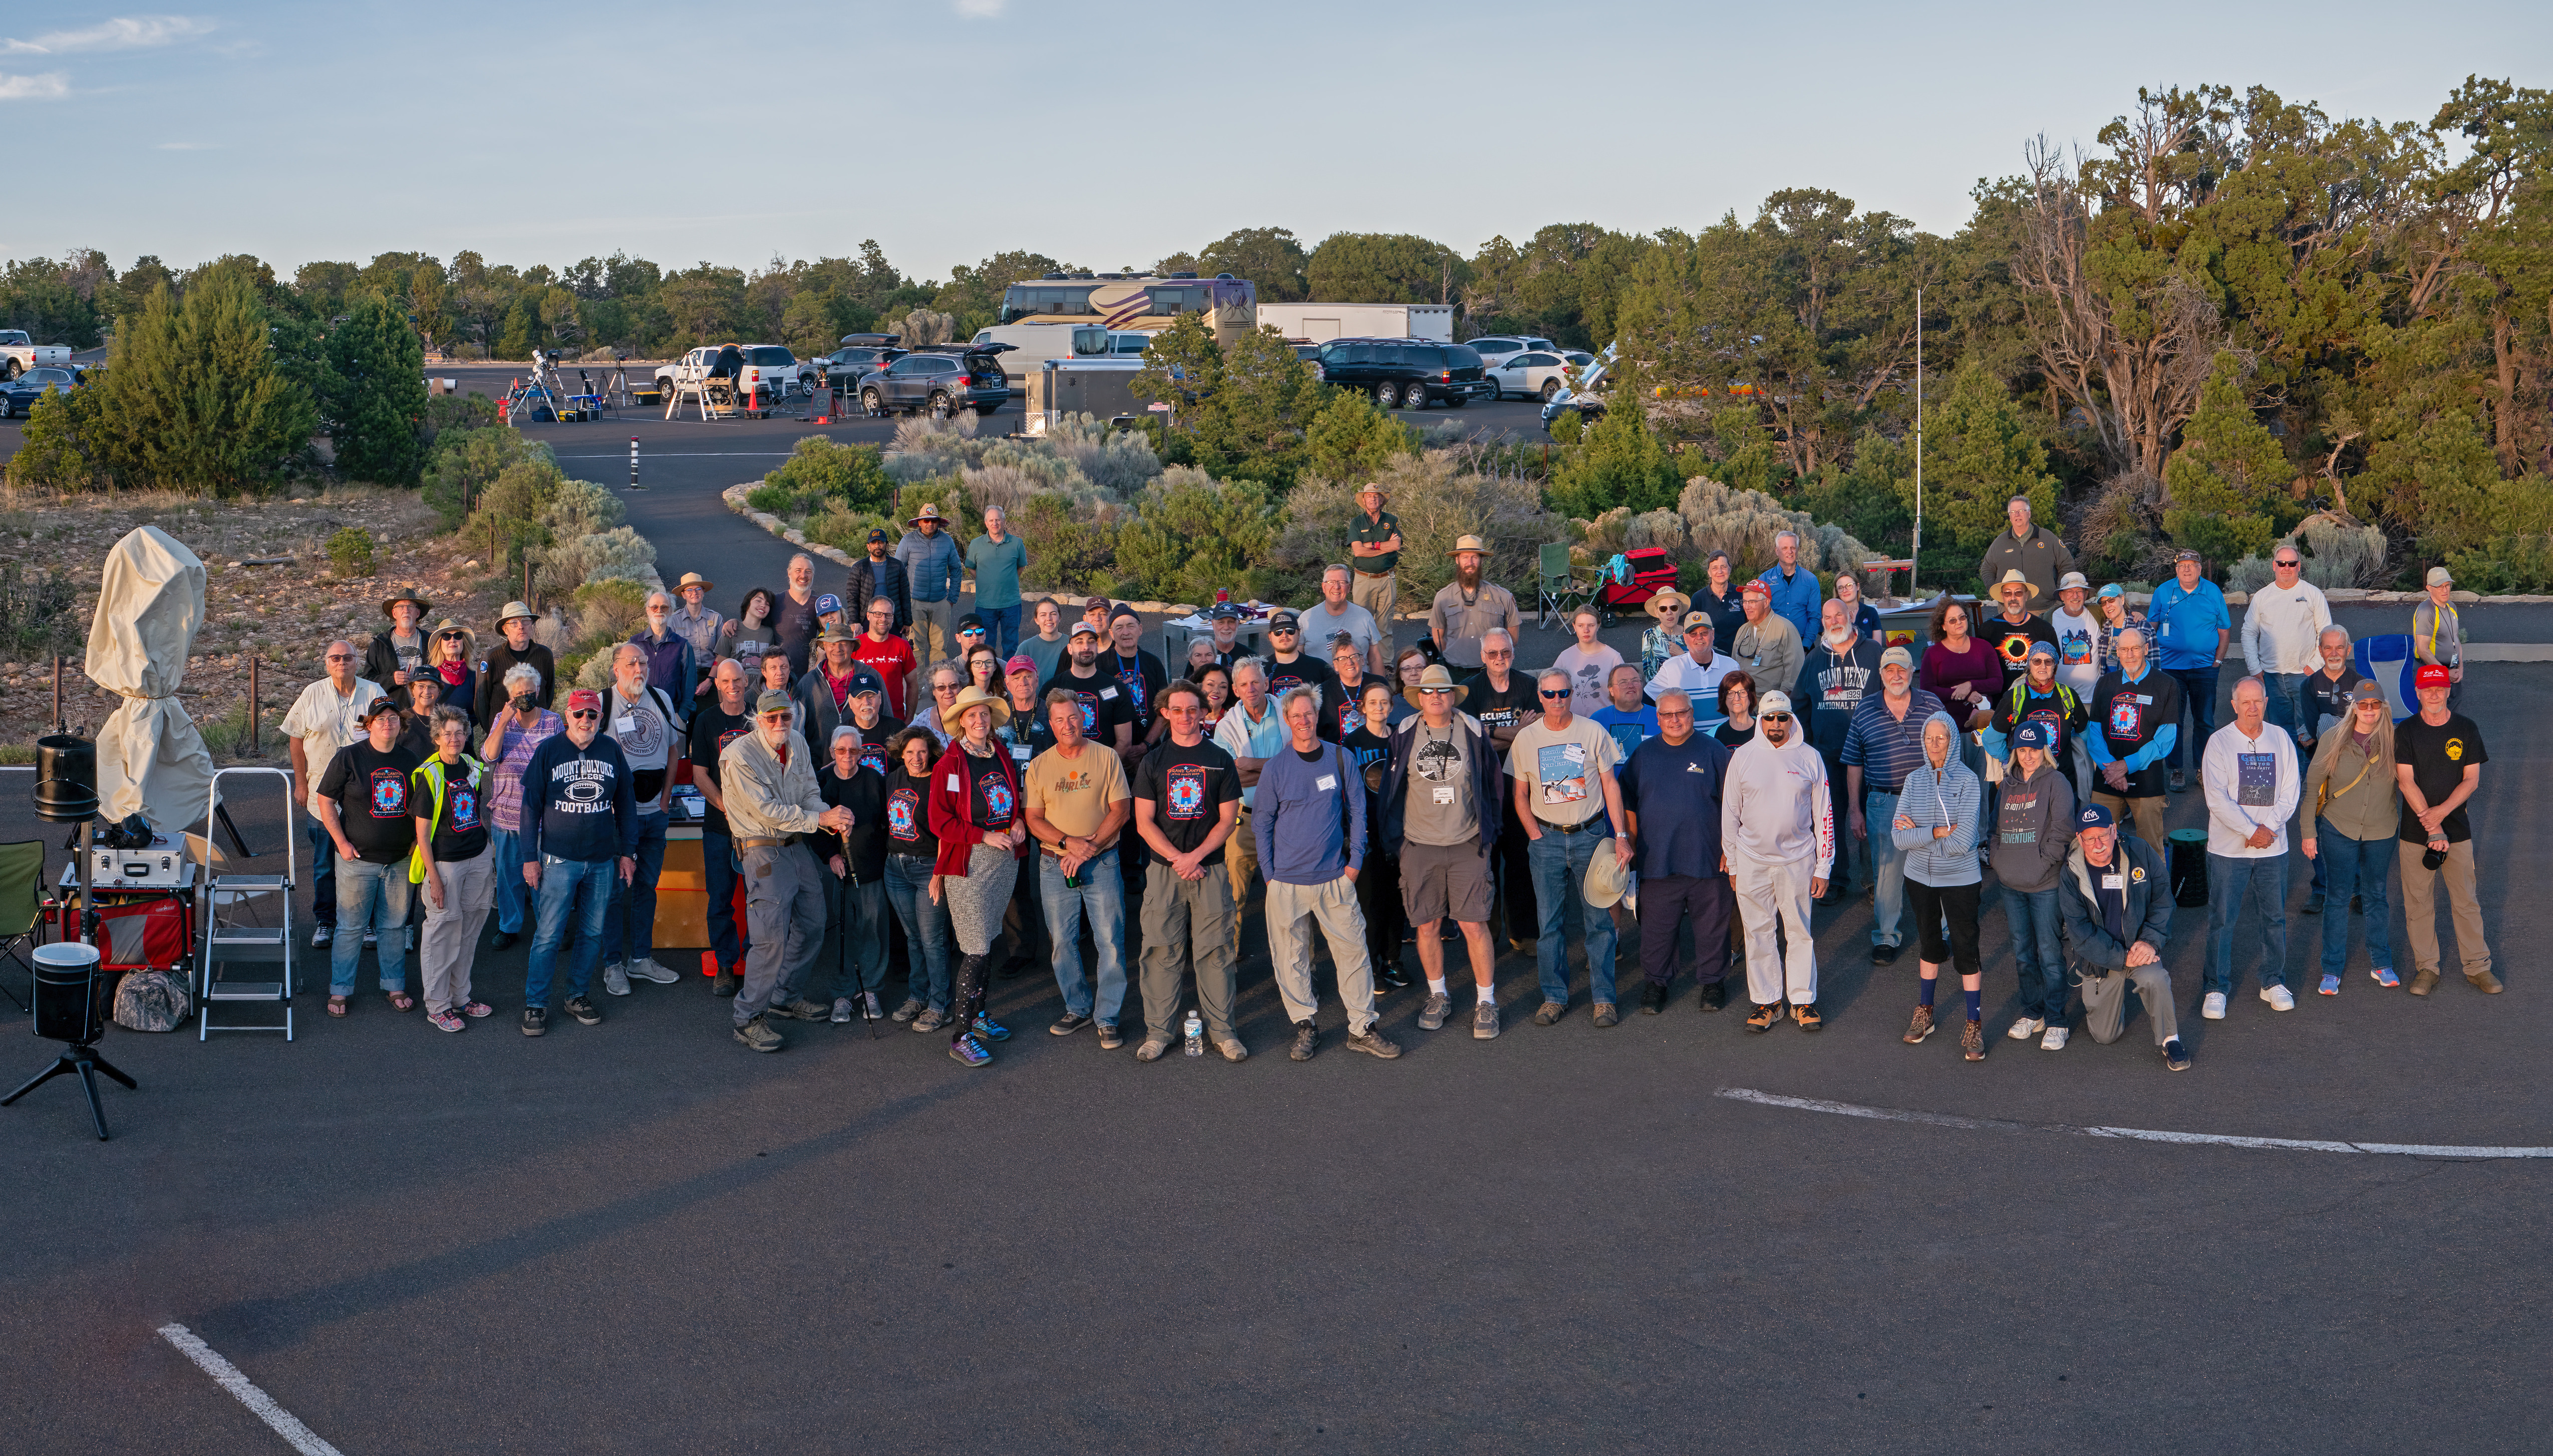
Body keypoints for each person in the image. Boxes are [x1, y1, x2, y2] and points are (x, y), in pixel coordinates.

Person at [1253, 688, 1402, 1062]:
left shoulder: (1341, 757)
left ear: (1317, 717)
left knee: (1353, 953)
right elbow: (1262, 823)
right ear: (1287, 721)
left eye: (1309, 714)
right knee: (1291, 957)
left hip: (1335, 878)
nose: (1304, 721)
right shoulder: (1275, 768)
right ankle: (1305, 1025)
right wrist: (1270, 875)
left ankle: (1362, 1028)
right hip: (1286, 882)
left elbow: (1357, 810)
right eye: (1297, 716)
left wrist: (1354, 865)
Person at [718, 689, 856, 1051]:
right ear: (758, 719)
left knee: (813, 923)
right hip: (762, 848)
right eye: (772, 718)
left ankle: (784, 996)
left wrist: (828, 817)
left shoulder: (796, 741)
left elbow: (810, 790)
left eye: (786, 717)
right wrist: (821, 818)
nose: (780, 724)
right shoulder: (738, 755)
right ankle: (748, 1017)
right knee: (770, 939)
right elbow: (768, 811)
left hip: (796, 843)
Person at [1382, 664, 1506, 1037]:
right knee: (1427, 924)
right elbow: (1391, 790)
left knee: (1473, 924)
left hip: (1467, 843)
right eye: (1428, 692)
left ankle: (1487, 1002)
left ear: (1453, 695)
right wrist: (1399, 843)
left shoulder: (1471, 729)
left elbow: (1493, 784)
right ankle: (1439, 994)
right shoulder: (1404, 732)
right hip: (1419, 846)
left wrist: (1489, 833)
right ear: (1419, 697)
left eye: (1442, 691)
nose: (1435, 697)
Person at [1131, 679, 1246, 1062]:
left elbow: (1228, 819)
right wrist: (1179, 859)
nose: (1185, 717)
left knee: (1216, 952)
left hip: (1210, 870)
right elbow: (1144, 822)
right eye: (1177, 710)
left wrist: (1195, 856)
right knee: (1161, 950)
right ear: (1165, 713)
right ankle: (1159, 1032)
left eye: (1192, 710)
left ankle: (1223, 1032)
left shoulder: (1219, 758)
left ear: (1204, 713)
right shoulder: (1153, 761)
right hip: (1165, 873)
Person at [1509, 668, 1630, 1026]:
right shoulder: (1526, 739)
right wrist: (1534, 833)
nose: (1557, 699)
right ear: (1540, 696)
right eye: (1549, 694)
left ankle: (1604, 999)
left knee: (1599, 922)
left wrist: (1621, 836)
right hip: (1545, 840)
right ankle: (1554, 997)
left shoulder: (1592, 732)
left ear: (1572, 693)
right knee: (1549, 925)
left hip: (1590, 837)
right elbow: (1519, 794)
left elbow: (1611, 786)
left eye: (1563, 693)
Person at [517, 689, 636, 1038]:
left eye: (593, 715)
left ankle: (577, 995)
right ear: (567, 716)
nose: (586, 721)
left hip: (601, 860)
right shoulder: (549, 751)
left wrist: (628, 853)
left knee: (592, 933)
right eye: (580, 714)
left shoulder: (611, 750)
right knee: (548, 935)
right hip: (558, 859)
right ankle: (536, 1003)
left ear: (601, 719)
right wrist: (529, 858)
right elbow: (530, 809)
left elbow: (627, 805)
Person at [1023, 688, 1134, 1048]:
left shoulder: (1106, 758)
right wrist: (1068, 843)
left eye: (1073, 717)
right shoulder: (1040, 766)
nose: (1068, 724)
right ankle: (1078, 1008)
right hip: (1056, 865)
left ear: (1083, 716)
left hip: (1101, 862)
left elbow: (1121, 811)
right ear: (1051, 724)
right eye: (1059, 719)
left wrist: (1088, 849)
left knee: (1110, 943)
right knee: (1062, 943)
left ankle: (1107, 1017)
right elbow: (1033, 819)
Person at [927, 685, 1030, 1066]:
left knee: (987, 941)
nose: (979, 720)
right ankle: (961, 1034)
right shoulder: (948, 764)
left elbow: (1015, 795)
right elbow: (940, 821)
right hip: (970, 864)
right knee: (975, 950)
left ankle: (979, 1013)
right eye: (971, 715)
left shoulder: (999, 752)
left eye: (984, 713)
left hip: (1003, 861)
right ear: (960, 722)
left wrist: (1018, 819)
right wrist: (983, 834)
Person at [1620, 688, 1735, 1014]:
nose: (1675, 720)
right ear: (1657, 718)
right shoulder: (1644, 755)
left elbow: (1733, 805)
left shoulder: (1714, 751)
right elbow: (1628, 800)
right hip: (1657, 859)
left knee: (1713, 926)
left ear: (1692, 715)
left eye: (1681, 713)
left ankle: (1713, 982)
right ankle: (1656, 983)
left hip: (1708, 858)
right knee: (1657, 929)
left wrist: (1730, 849)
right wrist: (1630, 841)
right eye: (1667, 714)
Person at [1724, 690, 1834, 1031]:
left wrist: (1823, 866)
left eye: (1782, 717)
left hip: (1798, 860)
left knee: (1799, 931)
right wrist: (1734, 863)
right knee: (1758, 932)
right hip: (1751, 860)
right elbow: (1730, 814)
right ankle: (1767, 1002)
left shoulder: (1810, 757)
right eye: (1769, 717)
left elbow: (1824, 815)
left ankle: (1802, 1000)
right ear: (1760, 720)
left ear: (1792, 719)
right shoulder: (1742, 757)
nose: (1776, 724)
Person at [2057, 804, 2189, 1069]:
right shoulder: (2071, 872)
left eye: (2103, 835)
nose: (2098, 845)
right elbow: (2080, 932)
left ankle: (2170, 1039)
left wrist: (2150, 941)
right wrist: (2121, 958)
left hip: (2139, 948)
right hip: (2102, 958)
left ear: (2115, 830)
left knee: (2155, 978)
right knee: (2105, 1036)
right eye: (2090, 838)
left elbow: (2163, 900)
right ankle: (2112, 997)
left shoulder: (2140, 851)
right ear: (2079, 839)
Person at [2198, 676, 2300, 1019]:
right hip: (2229, 851)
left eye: (2258, 701)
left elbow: (2290, 790)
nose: (2252, 708)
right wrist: (2249, 830)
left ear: (2266, 703)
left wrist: (2267, 830)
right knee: (2222, 920)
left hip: (2273, 849)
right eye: (2246, 702)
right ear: (2234, 705)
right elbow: (2216, 798)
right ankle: (2215, 987)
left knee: (2274, 919)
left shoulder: (2281, 739)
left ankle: (2272, 980)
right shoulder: (2219, 742)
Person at [2394, 663, 2496, 997]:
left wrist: (2439, 816)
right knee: (2418, 902)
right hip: (2414, 833)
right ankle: (2427, 968)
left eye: (2439, 687)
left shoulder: (2467, 728)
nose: (2434, 693)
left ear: (2448, 690)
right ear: (2418, 692)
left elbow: (2472, 780)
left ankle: (2478, 968)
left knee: (2466, 900)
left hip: (2457, 831)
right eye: (2427, 688)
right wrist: (2431, 824)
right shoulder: (2406, 731)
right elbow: (2405, 781)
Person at [1892, 710, 1989, 1060]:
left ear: (1952, 741)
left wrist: (1920, 834)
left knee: (1965, 948)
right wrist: (1934, 832)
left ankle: (1974, 1022)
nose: (1935, 745)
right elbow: (1897, 837)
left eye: (1942, 738)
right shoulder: (1915, 779)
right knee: (1930, 944)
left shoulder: (1967, 781)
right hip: (1919, 876)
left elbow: (1965, 840)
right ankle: (1925, 1013)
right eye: (1929, 738)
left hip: (1961, 878)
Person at [317, 697, 422, 1017]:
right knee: (350, 927)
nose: (387, 723)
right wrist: (341, 842)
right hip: (357, 860)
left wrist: (417, 842)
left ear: (400, 725)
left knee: (393, 927)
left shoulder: (411, 760)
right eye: (380, 719)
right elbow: (324, 800)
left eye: (393, 718)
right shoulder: (349, 757)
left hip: (399, 861)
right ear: (368, 724)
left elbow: (422, 808)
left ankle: (394, 985)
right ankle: (340, 989)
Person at [1842, 646, 1945, 965]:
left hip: (1930, 798)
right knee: (1887, 872)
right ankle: (1886, 937)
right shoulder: (1866, 709)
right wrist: (1855, 809)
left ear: (1912, 672)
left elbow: (1950, 752)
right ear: (1881, 674)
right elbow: (1854, 763)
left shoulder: (1932, 704)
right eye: (1889, 670)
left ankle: (1940, 934)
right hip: (1885, 801)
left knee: (1937, 866)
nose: (1896, 675)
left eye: (1902, 669)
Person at [283, 640, 388, 950]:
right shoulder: (312, 693)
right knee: (325, 864)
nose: (342, 662)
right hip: (321, 796)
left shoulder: (374, 693)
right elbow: (296, 740)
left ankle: (368, 924)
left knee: (367, 861)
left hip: (365, 796)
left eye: (348, 657)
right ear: (326, 664)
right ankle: (325, 922)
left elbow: (389, 734)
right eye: (335, 658)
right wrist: (301, 785)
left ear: (357, 662)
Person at [2300, 681, 2402, 997]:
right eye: (2363, 704)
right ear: (2353, 707)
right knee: (2338, 896)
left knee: (2376, 894)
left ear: (2383, 707)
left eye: (2375, 704)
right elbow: (2313, 787)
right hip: (2338, 828)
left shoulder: (2397, 740)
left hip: (2382, 829)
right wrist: (2308, 832)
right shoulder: (2333, 738)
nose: (2369, 710)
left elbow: (2412, 783)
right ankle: (2331, 968)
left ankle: (2381, 963)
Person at [596, 643, 682, 998]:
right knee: (614, 893)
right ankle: (612, 964)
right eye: (631, 663)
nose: (639, 668)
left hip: (655, 815)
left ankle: (641, 959)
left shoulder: (661, 698)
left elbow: (675, 748)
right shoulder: (602, 704)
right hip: (618, 819)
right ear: (615, 668)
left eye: (644, 662)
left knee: (647, 887)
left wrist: (665, 800)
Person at [409, 706, 496, 1033]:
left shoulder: (472, 767)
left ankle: (461, 997)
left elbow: (474, 812)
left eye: (461, 732)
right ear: (436, 738)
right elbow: (422, 833)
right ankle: (438, 1005)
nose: (456, 739)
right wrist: (434, 878)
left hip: (478, 856)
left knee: (470, 930)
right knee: (443, 933)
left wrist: (489, 851)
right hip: (446, 864)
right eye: (448, 733)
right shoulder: (429, 774)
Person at [1992, 721, 2077, 1048]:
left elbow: (2063, 830)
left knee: (2050, 953)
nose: (2028, 756)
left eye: (2034, 749)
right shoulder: (2008, 786)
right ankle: (2033, 1012)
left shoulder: (2056, 782)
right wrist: (1999, 862)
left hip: (2045, 885)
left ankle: (2057, 1020)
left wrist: (2042, 864)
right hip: (2011, 883)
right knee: (2023, 953)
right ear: (2016, 751)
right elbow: (1996, 830)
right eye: (2022, 750)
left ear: (2045, 750)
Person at [1462, 629, 1540, 949]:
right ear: (1482, 657)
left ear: (1513, 652)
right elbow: (1470, 739)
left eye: (1505, 652)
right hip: (1483, 788)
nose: (1499, 658)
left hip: (1521, 786)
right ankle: (1489, 934)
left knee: (1522, 860)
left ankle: (1522, 931)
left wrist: (1491, 732)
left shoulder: (1528, 685)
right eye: (1492, 653)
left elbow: (1536, 733)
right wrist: (1516, 731)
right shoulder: (1470, 691)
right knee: (1486, 863)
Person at [479, 664, 560, 955]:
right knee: (508, 875)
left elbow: (560, 762)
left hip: (542, 816)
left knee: (545, 879)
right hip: (506, 814)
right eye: (519, 693)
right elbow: (488, 755)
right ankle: (509, 926)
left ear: (538, 691)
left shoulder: (553, 721)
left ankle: (548, 928)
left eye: (530, 691)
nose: (526, 696)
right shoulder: (503, 719)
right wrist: (503, 721)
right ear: (510, 695)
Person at [688, 659, 757, 994]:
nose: (733, 685)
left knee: (758, 898)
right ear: (717, 684)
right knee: (721, 899)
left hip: (758, 829)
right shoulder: (706, 721)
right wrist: (726, 808)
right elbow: (700, 774)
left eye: (738, 680)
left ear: (747, 681)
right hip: (719, 826)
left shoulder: (760, 718)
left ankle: (757, 962)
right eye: (726, 680)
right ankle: (726, 965)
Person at [1804, 598, 1880, 901]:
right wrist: (1810, 745)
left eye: (1839, 615)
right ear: (1822, 621)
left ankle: (1874, 880)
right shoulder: (1814, 659)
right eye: (1827, 617)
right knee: (1829, 818)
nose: (1834, 621)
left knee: (1870, 819)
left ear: (1851, 615)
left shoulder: (1873, 652)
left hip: (1870, 751)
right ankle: (1836, 878)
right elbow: (1801, 703)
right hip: (1828, 754)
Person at [881, 727, 955, 1028]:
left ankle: (940, 1004)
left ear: (931, 752)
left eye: (922, 751)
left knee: (933, 940)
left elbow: (947, 831)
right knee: (914, 938)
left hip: (928, 868)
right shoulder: (893, 778)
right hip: (895, 868)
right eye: (910, 752)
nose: (916, 758)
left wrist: (939, 873)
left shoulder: (940, 780)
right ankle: (918, 996)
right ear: (902, 753)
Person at [2085, 627, 2181, 852]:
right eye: (2124, 649)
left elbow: (2166, 739)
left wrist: (2126, 766)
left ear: (2146, 649)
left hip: (2148, 782)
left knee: (2151, 849)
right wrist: (2112, 770)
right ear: (2116, 652)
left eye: (2136, 648)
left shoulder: (2166, 685)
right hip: (2107, 780)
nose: (2130, 655)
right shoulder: (2105, 683)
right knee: (2098, 845)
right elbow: (2094, 733)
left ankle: (2154, 889)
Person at [818, 724, 890, 1023]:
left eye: (855, 750)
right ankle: (843, 992)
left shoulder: (874, 779)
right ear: (833, 752)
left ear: (862, 752)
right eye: (841, 750)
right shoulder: (822, 781)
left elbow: (887, 823)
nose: (848, 755)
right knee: (844, 931)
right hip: (841, 870)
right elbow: (811, 826)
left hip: (871, 868)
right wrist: (831, 855)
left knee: (873, 928)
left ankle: (870, 988)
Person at [1340, 679, 1408, 992]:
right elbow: (1345, 792)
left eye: (1384, 703)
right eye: (1373, 703)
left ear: (1391, 707)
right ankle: (1371, 964)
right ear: (1363, 708)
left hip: (1398, 829)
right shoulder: (1353, 743)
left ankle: (1393, 958)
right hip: (1367, 830)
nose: (1379, 708)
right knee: (1369, 901)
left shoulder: (1402, 739)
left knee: (1397, 897)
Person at [2146, 548, 2231, 793]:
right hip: (2170, 669)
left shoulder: (2212, 592)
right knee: (2174, 721)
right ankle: (2176, 770)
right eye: (2182, 564)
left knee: (2204, 721)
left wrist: (2219, 662)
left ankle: (2202, 769)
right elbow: (2152, 626)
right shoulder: (2163, 591)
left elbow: (2224, 630)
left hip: (2206, 668)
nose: (2187, 568)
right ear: (2176, 569)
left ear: (2200, 569)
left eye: (2192, 564)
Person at [1212, 658, 1287, 907]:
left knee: (1289, 896)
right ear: (1235, 690)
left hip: (1285, 819)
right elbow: (1229, 781)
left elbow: (1298, 766)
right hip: (1242, 822)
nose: (1251, 689)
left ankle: (1291, 949)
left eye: (1256, 682)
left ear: (1266, 683)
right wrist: (1279, 767)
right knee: (1234, 899)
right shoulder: (1225, 728)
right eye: (1244, 684)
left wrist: (1250, 764)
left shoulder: (1289, 716)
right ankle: (1230, 949)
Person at [2242, 543, 2332, 745]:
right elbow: (2248, 632)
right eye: (2282, 563)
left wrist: (2315, 667)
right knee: (2279, 735)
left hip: (2304, 675)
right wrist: (2255, 668)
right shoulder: (2262, 597)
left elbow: (2326, 633)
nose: (2286, 568)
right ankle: (2285, 776)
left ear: (2299, 566)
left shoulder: (2313, 594)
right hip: (2271, 677)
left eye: (2291, 563)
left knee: (2308, 732)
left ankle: (2307, 776)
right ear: (2274, 566)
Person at [1983, 642, 2087, 798]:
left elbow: (2085, 734)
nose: (2043, 666)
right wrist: (2008, 761)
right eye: (2037, 661)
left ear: (2055, 667)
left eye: (2049, 661)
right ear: (2029, 665)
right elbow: (1991, 738)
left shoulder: (2069, 696)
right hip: (2025, 784)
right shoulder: (2014, 698)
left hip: (2062, 782)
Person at [1042, 619, 1137, 757]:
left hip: (1104, 770)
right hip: (1063, 770)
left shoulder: (1116, 688)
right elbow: (1045, 738)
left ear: (1097, 647)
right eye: (1079, 642)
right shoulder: (1052, 688)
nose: (1086, 647)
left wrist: (1103, 771)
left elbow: (1124, 742)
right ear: (1070, 649)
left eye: (1091, 642)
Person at [1430, 534, 1520, 670]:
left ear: (1481, 561)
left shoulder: (1502, 596)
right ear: (1457, 560)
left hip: (1491, 672)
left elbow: (1513, 638)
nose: (1470, 562)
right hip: (1456, 674)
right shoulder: (1443, 597)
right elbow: (1438, 637)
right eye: (1465, 557)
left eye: (1475, 557)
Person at [1920, 599, 2002, 747]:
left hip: (1983, 725)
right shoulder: (1933, 654)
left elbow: (1997, 683)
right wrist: (1963, 694)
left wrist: (1971, 685)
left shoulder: (1984, 647)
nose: (1959, 622)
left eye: (1962, 617)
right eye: (1952, 620)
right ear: (1943, 626)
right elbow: (1927, 690)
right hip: (1947, 726)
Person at [897, 503, 964, 665]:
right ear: (919, 522)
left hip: (941, 603)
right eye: (926, 521)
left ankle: (939, 688)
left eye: (934, 520)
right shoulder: (908, 541)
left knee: (940, 648)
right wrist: (902, 602)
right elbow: (897, 571)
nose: (930, 524)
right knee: (916, 649)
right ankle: (918, 689)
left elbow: (956, 570)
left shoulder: (947, 541)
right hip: (915, 603)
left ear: (938, 522)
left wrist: (952, 599)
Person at [1977, 495, 2076, 603]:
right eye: (2013, 512)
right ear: (2010, 517)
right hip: (2009, 609)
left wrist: (2059, 595)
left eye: (2021, 510)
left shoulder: (2048, 538)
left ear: (2029, 514)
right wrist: (1997, 593)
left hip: (2044, 609)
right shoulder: (2000, 542)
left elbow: (2067, 564)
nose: (2017, 514)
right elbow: (1987, 569)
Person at [1101, 603, 1168, 760]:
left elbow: (1165, 709)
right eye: (1119, 628)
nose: (1126, 632)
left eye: (1131, 626)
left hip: (1150, 750)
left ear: (1141, 629)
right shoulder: (1100, 664)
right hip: (1110, 751)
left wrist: (1146, 745)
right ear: (1111, 633)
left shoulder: (1153, 663)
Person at [476, 601, 556, 727]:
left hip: (539, 733)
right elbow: (481, 702)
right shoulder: (492, 658)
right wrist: (494, 732)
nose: (521, 626)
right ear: (505, 629)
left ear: (532, 624)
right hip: (503, 735)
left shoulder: (545, 655)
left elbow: (549, 693)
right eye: (514, 623)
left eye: (525, 620)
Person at [1647, 613, 1736, 725]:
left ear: (1713, 634)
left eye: (1704, 633)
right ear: (1685, 637)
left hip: (1723, 739)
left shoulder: (1731, 666)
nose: (1699, 637)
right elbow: (1647, 701)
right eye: (1693, 634)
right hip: (1686, 741)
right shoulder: (1671, 667)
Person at [1347, 483, 1403, 654]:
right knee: (1361, 623)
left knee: (1385, 625)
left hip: (1387, 579)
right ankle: (1362, 659)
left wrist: (1372, 545)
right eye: (1369, 496)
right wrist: (1385, 546)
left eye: (1377, 496)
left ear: (1382, 501)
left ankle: (1386, 663)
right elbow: (1358, 551)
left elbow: (1397, 546)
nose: (1373, 499)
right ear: (1364, 500)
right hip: (1364, 579)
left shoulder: (1391, 520)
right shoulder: (1357, 523)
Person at [966, 505, 1028, 658]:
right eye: (991, 520)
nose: (995, 523)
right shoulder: (976, 544)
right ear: (986, 523)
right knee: (986, 646)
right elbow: (971, 568)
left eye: (998, 520)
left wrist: (1007, 579)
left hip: (1011, 604)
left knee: (1011, 646)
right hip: (985, 605)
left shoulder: (1017, 543)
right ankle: (989, 678)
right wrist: (986, 580)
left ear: (1004, 521)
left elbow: (1020, 567)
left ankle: (1009, 678)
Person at [1304, 563, 1386, 674]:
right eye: (1331, 582)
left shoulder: (1364, 616)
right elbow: (1297, 660)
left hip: (1359, 687)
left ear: (1349, 588)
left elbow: (1375, 658)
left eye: (1342, 582)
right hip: (1318, 689)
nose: (1336, 587)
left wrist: (1380, 687)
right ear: (1324, 587)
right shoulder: (1306, 619)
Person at [848, 595, 919, 721]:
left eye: (888, 615)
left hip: (895, 719)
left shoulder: (902, 646)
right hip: (862, 720)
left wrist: (909, 720)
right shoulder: (855, 645)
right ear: (868, 616)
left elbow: (912, 685)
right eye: (878, 614)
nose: (883, 619)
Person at [1983, 571, 2058, 689]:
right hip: (1999, 701)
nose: (2013, 598)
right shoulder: (1988, 629)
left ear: (2026, 595)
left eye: (2018, 593)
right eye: (2008, 593)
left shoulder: (2044, 629)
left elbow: (2054, 667)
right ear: (2002, 596)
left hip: (2034, 700)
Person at [1733, 578, 1804, 699]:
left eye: (1752, 602)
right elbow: (1734, 668)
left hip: (1772, 707)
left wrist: (1779, 705)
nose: (1747, 607)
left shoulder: (1785, 629)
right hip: (1744, 704)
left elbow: (1795, 675)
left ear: (1766, 603)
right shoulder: (1742, 630)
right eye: (1744, 601)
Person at [1546, 606, 1622, 718]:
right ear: (1574, 627)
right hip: (1573, 722)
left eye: (1591, 625)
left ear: (1598, 626)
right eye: (1581, 626)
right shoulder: (1565, 657)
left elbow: (1622, 695)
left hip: (1604, 722)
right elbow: (1550, 688)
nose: (1586, 630)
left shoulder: (1613, 657)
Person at [366, 587, 433, 713]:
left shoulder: (431, 641)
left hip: (427, 713)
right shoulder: (380, 644)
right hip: (392, 714)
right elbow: (367, 681)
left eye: (411, 607)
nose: (406, 610)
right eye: (401, 607)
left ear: (417, 613)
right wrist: (392, 679)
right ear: (394, 613)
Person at [626, 590, 698, 708]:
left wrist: (682, 718)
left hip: (671, 714)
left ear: (670, 611)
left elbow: (689, 687)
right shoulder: (634, 643)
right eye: (655, 607)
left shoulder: (682, 646)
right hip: (639, 712)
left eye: (664, 607)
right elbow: (624, 679)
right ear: (648, 611)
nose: (659, 611)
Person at [2411, 565, 2465, 710]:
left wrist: (2460, 668)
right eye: (2440, 586)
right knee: (2431, 713)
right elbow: (2423, 650)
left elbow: (2456, 639)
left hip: (2450, 668)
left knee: (2453, 711)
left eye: (2448, 585)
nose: (2445, 590)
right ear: (2429, 588)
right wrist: (2445, 673)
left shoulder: (2451, 606)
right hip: (2430, 670)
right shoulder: (2426, 611)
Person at [1754, 530, 1820, 647]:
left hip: (1801, 643)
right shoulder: (1764, 579)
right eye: (1785, 548)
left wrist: (1805, 646)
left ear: (1798, 550)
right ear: (1777, 551)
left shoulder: (1811, 580)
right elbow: (1759, 614)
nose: (1790, 552)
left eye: (1793, 547)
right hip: (1771, 643)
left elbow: (1814, 617)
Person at [1260, 609, 1336, 711]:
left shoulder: (1319, 667)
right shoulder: (1260, 670)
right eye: (1278, 632)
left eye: (1290, 631)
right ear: (1270, 636)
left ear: (1299, 633)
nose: (1284, 635)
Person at [666, 573, 724, 701]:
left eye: (698, 589)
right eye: (690, 590)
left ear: (703, 592)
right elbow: (670, 654)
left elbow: (721, 653)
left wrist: (710, 680)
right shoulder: (674, 621)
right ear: (683, 594)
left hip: (712, 678)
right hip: (684, 677)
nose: (695, 593)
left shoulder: (716, 618)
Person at [846, 528, 910, 637]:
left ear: (887, 545)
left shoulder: (897, 566)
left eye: (881, 542)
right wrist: (853, 621)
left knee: (891, 650)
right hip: (867, 619)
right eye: (874, 543)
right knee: (868, 652)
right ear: (868, 547)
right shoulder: (859, 567)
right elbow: (852, 597)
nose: (877, 546)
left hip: (892, 618)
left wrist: (907, 622)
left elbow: (905, 596)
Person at [2048, 571, 2100, 701]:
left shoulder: (2097, 613)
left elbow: (2118, 615)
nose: (2075, 596)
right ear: (2062, 596)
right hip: (2060, 699)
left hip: (2093, 699)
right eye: (2070, 591)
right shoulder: (2049, 619)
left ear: (2086, 594)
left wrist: (2134, 614)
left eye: (2080, 591)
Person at [1591, 663, 1659, 762]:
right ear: (1611, 691)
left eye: (1635, 681)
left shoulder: (1660, 717)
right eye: (1623, 683)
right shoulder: (1597, 720)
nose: (1630, 686)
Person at [1321, 633, 1379, 743]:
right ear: (1335, 665)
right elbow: (1319, 735)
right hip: (1338, 755)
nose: (1349, 662)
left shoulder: (1379, 684)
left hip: (1373, 753)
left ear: (1362, 660)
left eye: (1354, 657)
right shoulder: (1324, 692)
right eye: (1342, 659)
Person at [772, 554, 824, 677]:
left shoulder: (820, 604)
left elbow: (831, 629)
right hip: (780, 675)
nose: (803, 575)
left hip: (809, 674)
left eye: (808, 571)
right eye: (798, 571)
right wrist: (734, 623)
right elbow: (755, 624)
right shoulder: (776, 602)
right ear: (789, 573)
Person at [421, 620, 478, 729]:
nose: (453, 640)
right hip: (435, 740)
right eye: (447, 637)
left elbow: (478, 714)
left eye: (458, 636)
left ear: (463, 642)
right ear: (440, 644)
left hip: (462, 740)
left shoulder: (473, 676)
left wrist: (458, 728)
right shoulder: (429, 676)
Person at [719, 587, 781, 680]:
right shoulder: (731, 630)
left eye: (767, 604)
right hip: (736, 689)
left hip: (762, 689)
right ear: (747, 603)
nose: (763, 605)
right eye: (758, 601)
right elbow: (721, 666)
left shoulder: (770, 633)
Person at [1639, 588, 1691, 682]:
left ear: (1680, 609)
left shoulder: (1691, 634)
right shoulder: (1650, 635)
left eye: (1674, 608)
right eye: (1663, 609)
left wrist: (1682, 656)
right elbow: (1649, 674)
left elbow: (1700, 667)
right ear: (1656, 612)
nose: (1669, 613)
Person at [2093, 582, 2147, 675]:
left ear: (2122, 600)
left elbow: (2154, 661)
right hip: (2109, 685)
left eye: (2111, 600)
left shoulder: (2141, 626)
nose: (2108, 605)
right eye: (2103, 603)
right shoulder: (2106, 627)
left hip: (2133, 685)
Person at [1694, 550, 1745, 644]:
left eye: (1724, 567)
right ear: (1709, 573)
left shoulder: (1741, 594)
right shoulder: (1698, 598)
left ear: (1730, 569)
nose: (1720, 571)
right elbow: (1692, 632)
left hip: (1739, 655)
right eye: (1715, 568)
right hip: (1710, 656)